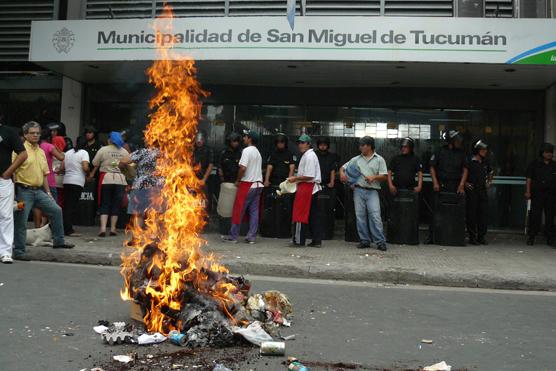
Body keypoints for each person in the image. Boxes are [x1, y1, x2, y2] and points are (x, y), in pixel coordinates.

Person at [12, 121, 74, 260]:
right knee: (21, 221)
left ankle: (59, 241)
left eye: (37, 133)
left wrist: (48, 193)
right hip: (23, 190)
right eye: (32, 133)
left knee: (56, 210)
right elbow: (13, 171)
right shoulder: (19, 149)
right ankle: (19, 251)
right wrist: (14, 192)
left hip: (39, 190)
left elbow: (44, 174)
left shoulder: (40, 151)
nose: (35, 135)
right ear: (25, 134)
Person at [340, 136, 388, 251]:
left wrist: (374, 177)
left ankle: (380, 242)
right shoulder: (356, 159)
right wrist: (342, 174)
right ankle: (364, 240)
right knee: (360, 216)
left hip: (373, 191)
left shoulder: (379, 159)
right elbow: (343, 167)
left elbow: (385, 176)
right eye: (360, 145)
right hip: (358, 190)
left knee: (375, 216)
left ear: (369, 146)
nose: (360, 147)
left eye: (362, 145)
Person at [427, 129, 468, 244]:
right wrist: (435, 182)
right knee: (436, 211)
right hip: (440, 184)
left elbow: (465, 169)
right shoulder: (440, 151)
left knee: (456, 212)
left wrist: (461, 185)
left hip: (455, 185)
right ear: (450, 140)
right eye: (456, 139)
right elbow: (432, 167)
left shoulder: (461, 153)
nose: (459, 142)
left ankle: (455, 237)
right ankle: (432, 237)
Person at [222, 130, 263, 244]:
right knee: (254, 212)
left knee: (238, 210)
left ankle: (233, 236)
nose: (243, 138)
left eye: (245, 136)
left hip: (247, 184)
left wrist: (238, 180)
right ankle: (251, 236)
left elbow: (243, 168)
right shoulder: (257, 153)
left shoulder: (246, 151)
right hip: (258, 184)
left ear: (250, 139)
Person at [89, 131, 129, 237]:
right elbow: (129, 164)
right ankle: (113, 228)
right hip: (120, 180)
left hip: (106, 179)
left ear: (110, 140)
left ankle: (102, 228)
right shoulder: (124, 151)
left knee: (105, 203)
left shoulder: (103, 150)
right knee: (116, 204)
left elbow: (94, 163)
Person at [0, 113, 27, 264]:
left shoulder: (8, 132)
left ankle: (5, 252)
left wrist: (8, 172)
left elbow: (23, 154)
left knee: (5, 215)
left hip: (2, 180)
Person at [289, 134, 323, 247]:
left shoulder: (309, 156)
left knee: (300, 214)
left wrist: (295, 178)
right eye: (299, 143)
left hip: (308, 187)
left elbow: (309, 176)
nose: (300, 145)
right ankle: (316, 240)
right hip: (310, 188)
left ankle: (299, 239)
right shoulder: (308, 155)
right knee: (313, 215)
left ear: (309, 144)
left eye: (303, 143)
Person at [120, 145, 163, 229]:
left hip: (140, 185)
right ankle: (154, 236)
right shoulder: (167, 153)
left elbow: (123, 162)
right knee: (156, 213)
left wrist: (128, 173)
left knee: (138, 213)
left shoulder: (143, 152)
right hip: (158, 187)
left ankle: (137, 237)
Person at [525, 142, 556, 246]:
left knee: (550, 217)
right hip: (537, 194)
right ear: (542, 153)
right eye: (547, 152)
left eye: (551, 153)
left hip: (551, 195)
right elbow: (529, 178)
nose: (550, 155)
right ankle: (531, 237)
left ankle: (549, 238)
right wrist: (528, 191)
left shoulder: (554, 165)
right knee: (535, 216)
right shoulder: (534, 164)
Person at [33, 128, 65, 227]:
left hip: (37, 180)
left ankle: (38, 227)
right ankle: (50, 228)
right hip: (49, 180)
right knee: (52, 206)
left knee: (37, 205)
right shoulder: (49, 146)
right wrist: (58, 149)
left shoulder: (36, 147)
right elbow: (61, 157)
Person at [465, 140, 492, 245]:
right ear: (477, 150)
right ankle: (472, 237)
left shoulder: (486, 161)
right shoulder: (469, 160)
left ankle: (481, 236)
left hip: (482, 190)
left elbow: (490, 172)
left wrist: (489, 181)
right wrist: (465, 183)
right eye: (482, 149)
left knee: (483, 214)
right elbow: (463, 172)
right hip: (472, 190)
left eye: (485, 149)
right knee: (471, 214)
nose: (485, 151)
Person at [61, 137, 90, 237]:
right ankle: (68, 229)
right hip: (77, 182)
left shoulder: (68, 152)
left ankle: (63, 227)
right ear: (86, 144)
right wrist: (89, 174)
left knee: (66, 206)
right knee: (71, 206)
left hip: (66, 181)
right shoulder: (84, 153)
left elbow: (62, 168)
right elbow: (85, 167)